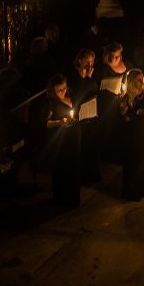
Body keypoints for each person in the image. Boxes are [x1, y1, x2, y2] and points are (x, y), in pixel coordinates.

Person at [119, 69, 144, 201]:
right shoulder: (126, 98)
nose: (142, 82)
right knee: (134, 163)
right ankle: (132, 192)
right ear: (131, 81)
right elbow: (123, 118)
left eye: (142, 79)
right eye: (138, 80)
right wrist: (135, 114)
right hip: (133, 135)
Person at [45, 74, 81, 207]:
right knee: (62, 169)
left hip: (74, 137)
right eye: (59, 90)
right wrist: (60, 122)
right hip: (61, 142)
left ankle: (73, 198)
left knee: (73, 167)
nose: (63, 92)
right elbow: (47, 123)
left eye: (64, 88)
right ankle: (62, 200)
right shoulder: (51, 104)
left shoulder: (71, 98)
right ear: (52, 90)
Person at [66, 48, 101, 185]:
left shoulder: (90, 75)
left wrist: (89, 79)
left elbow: (93, 89)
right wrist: (85, 78)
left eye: (92, 62)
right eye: (87, 62)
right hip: (77, 114)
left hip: (90, 114)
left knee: (92, 144)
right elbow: (77, 94)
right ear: (80, 60)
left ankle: (92, 175)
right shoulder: (72, 75)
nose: (90, 65)